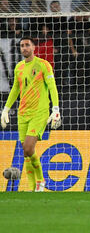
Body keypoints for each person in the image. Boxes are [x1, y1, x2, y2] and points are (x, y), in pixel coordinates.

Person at [1, 36, 61, 192]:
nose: (24, 48)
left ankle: (41, 179)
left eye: (27, 45)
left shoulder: (43, 65)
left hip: (39, 113)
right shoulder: (19, 67)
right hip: (23, 113)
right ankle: (33, 188)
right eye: (22, 45)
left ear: (34, 48)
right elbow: (15, 89)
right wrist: (6, 108)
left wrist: (55, 109)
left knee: (28, 148)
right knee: (26, 152)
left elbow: (52, 86)